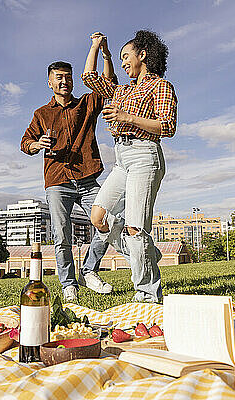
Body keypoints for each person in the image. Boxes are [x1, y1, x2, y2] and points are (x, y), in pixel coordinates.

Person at [82, 30, 178, 303]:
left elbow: (167, 126)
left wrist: (127, 116)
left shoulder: (161, 86)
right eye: (121, 59)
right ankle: (146, 252)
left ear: (143, 55)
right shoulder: (122, 89)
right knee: (98, 217)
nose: (124, 63)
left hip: (144, 156)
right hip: (121, 159)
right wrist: (100, 48)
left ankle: (146, 294)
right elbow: (88, 77)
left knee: (135, 228)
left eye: (127, 57)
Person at [20, 60, 117, 302]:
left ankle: (88, 269)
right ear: (50, 82)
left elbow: (108, 85)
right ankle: (68, 284)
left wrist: (105, 54)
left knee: (109, 221)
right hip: (57, 181)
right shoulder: (41, 113)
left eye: (68, 77)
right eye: (59, 77)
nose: (65, 81)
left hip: (86, 177)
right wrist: (36, 144)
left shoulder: (86, 103)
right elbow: (25, 143)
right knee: (62, 235)